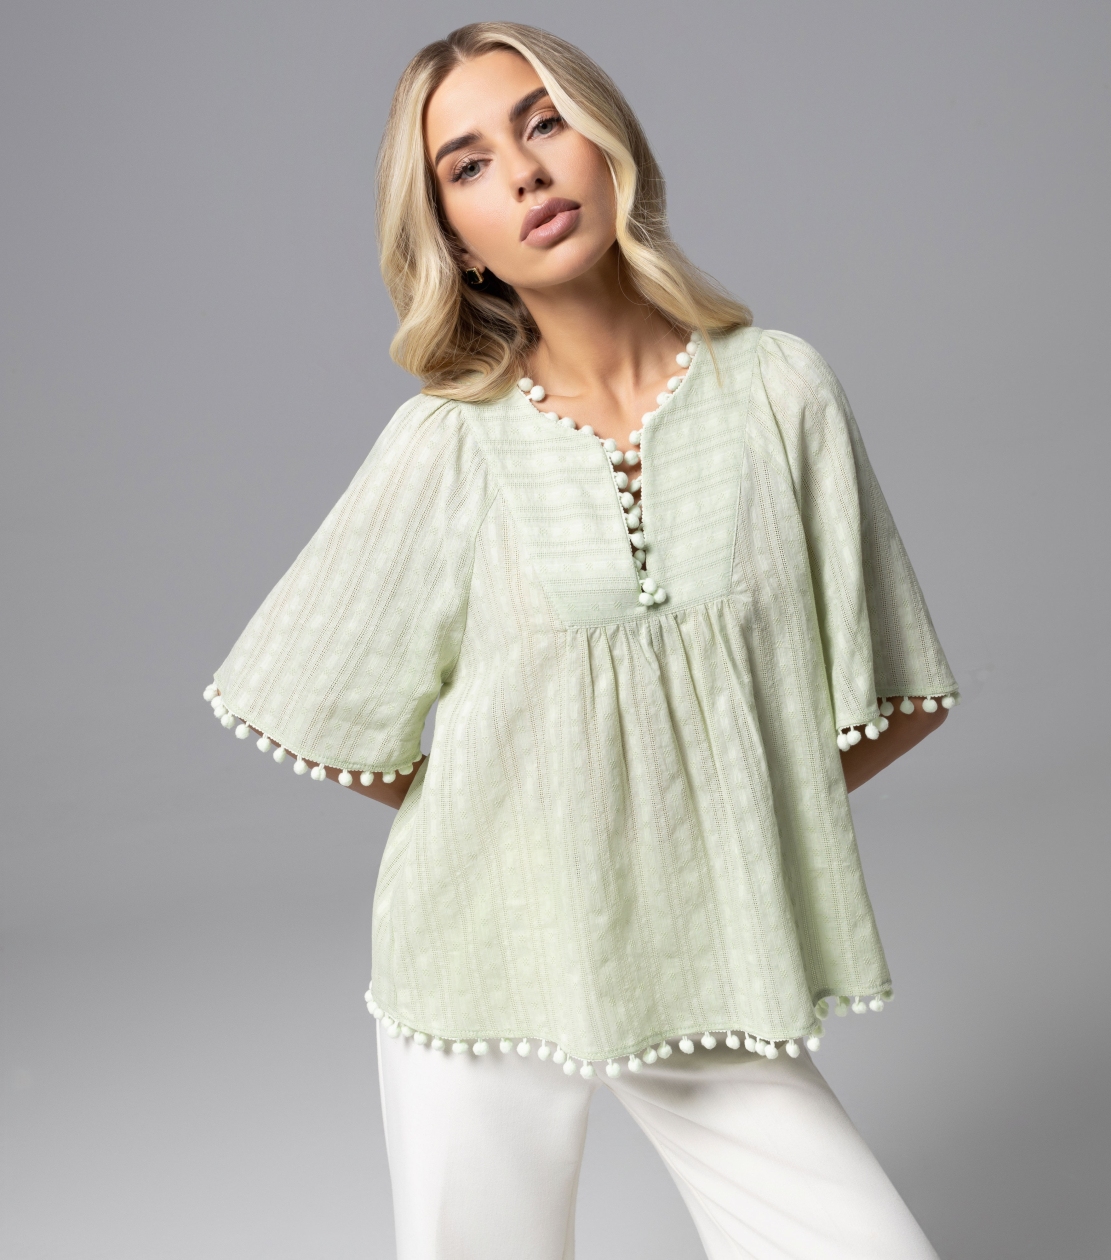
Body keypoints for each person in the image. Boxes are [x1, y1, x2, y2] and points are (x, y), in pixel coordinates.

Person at [205, 21, 958, 1260]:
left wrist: (710, 843)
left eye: (543, 122)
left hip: (704, 950)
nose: (524, 172)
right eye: (468, 165)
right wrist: (517, 831)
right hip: (477, 955)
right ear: (457, 236)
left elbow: (899, 693)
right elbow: (312, 700)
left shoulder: (782, 392)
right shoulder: (450, 444)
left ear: (609, 143)